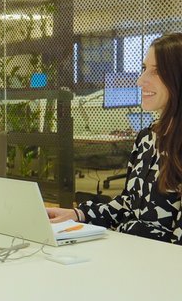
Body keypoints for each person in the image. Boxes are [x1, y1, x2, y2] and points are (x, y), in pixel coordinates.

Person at [47, 33, 182, 245]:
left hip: (157, 264)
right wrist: (78, 214)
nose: (140, 80)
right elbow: (128, 204)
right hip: (126, 249)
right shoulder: (147, 138)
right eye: (144, 69)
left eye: (155, 71)